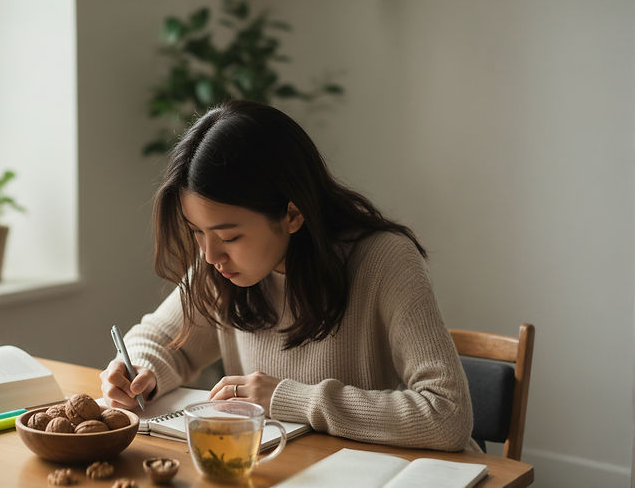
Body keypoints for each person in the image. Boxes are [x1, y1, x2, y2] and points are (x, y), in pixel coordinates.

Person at [99, 100, 475, 452]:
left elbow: (448, 415)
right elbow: (162, 339)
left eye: (229, 236)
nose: (209, 255)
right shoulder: (223, 265)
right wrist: (140, 372)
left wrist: (290, 399)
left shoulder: (383, 260)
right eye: (197, 231)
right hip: (283, 469)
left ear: (293, 214)